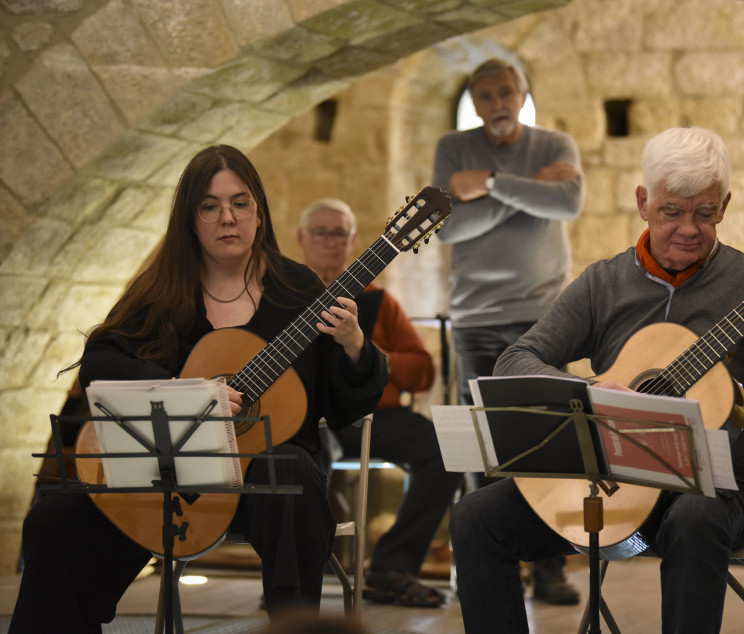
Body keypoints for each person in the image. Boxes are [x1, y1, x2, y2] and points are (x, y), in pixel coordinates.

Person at [449, 126, 744, 634]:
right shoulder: (604, 283)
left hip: (714, 493)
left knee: (694, 519)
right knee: (476, 517)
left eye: (704, 213)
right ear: (644, 202)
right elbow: (517, 358)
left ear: (724, 206)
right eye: (672, 211)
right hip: (606, 486)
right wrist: (589, 393)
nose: (689, 228)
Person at [10, 145, 388, 633]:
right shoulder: (164, 288)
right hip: (171, 475)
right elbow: (100, 363)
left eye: (240, 203)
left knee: (291, 472)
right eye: (209, 206)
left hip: (266, 481)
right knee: (54, 521)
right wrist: (183, 391)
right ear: (190, 218)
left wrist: (355, 345)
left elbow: (341, 403)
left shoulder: (297, 289)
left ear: (260, 214)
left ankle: (293, 626)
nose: (226, 217)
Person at [431, 56, 585, 605]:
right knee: (483, 446)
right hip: (474, 319)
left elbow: (568, 200)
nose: (497, 103)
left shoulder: (554, 143)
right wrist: (524, 191)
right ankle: (492, 561)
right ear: (475, 103)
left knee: (550, 442)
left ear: (522, 96)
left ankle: (549, 568)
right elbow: (445, 225)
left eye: (506, 92)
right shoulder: (453, 147)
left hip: (544, 319)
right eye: (486, 95)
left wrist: (489, 184)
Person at [297, 198, 463, 607]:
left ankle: (392, 566)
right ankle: (295, 575)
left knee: (447, 448)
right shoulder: (283, 297)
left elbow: (422, 370)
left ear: (353, 240)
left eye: (340, 233)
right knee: (300, 456)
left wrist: (368, 356)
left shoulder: (377, 302)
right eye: (321, 232)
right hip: (306, 419)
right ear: (301, 239)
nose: (331, 241)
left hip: (371, 418)